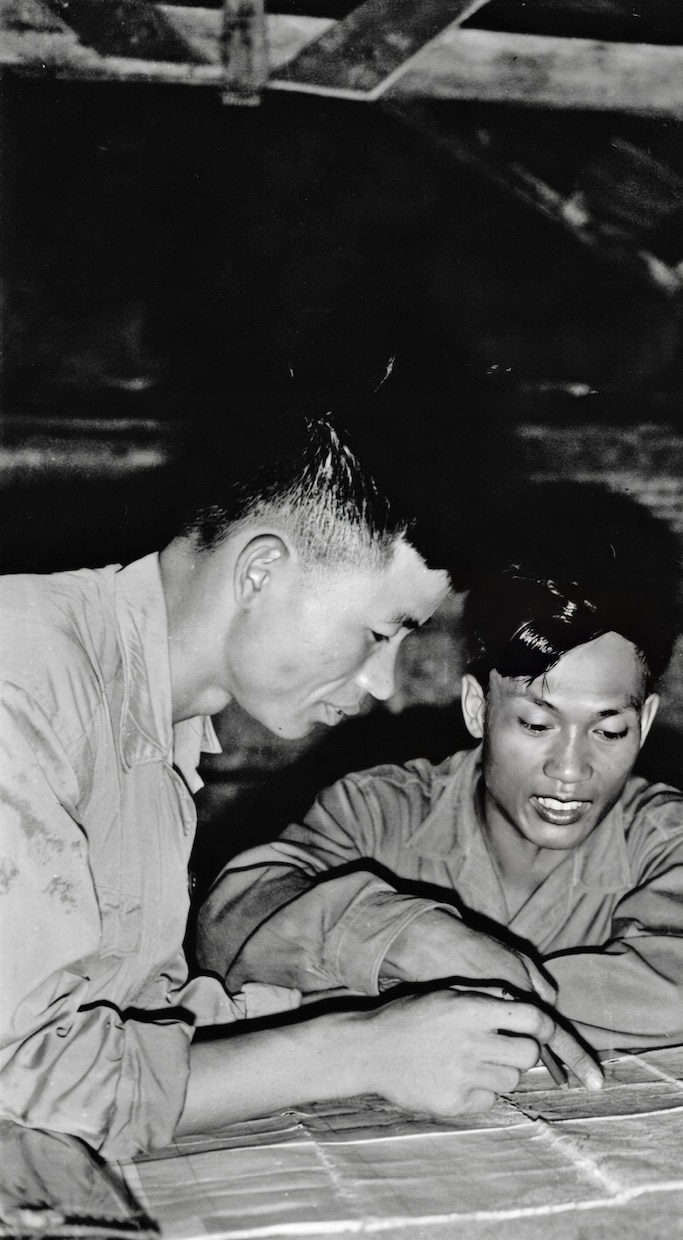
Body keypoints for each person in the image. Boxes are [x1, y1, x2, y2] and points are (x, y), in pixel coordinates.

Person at [0, 417, 601, 1161]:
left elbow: (135, 1030)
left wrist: (399, 1006)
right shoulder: (20, 678)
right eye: (382, 634)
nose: (383, 684)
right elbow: (26, 1084)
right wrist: (361, 1048)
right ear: (260, 573)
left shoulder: (154, 725)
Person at [195, 558, 683, 1050]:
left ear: (644, 725)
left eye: (610, 730)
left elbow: (679, 1003)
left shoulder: (666, 838)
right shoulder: (377, 812)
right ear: (477, 709)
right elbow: (228, 926)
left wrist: (425, 996)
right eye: (536, 724)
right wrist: (411, 938)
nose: (570, 769)